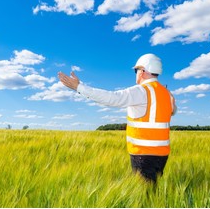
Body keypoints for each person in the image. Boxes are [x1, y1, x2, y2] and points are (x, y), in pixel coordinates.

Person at [58, 53, 177, 183]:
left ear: (142, 71)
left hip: (143, 154)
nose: (136, 73)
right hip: (163, 154)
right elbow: (172, 110)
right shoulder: (166, 93)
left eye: (136, 70)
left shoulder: (141, 91)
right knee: (153, 192)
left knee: (145, 197)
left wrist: (79, 87)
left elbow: (112, 98)